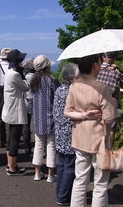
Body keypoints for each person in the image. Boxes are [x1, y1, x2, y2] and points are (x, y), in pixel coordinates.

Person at [64, 54, 116, 207]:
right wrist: (112, 103)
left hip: (80, 137)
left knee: (80, 179)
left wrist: (83, 115)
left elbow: (67, 112)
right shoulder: (102, 88)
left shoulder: (74, 85)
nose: (100, 66)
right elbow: (109, 118)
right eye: (99, 63)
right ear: (94, 66)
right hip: (100, 139)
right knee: (100, 183)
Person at [53, 63, 79, 206]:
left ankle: (60, 195)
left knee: (62, 164)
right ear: (71, 78)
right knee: (69, 166)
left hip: (59, 131)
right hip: (69, 132)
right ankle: (63, 197)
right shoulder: (72, 92)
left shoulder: (59, 90)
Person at [30, 55, 60, 182]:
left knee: (39, 145)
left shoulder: (33, 80)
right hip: (51, 117)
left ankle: (37, 173)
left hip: (37, 117)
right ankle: (50, 174)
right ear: (47, 67)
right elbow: (58, 99)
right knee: (51, 145)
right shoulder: (52, 80)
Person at [2, 49, 30, 176]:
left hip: (9, 109)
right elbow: (26, 87)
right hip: (15, 111)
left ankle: (10, 164)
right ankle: (12, 168)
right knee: (14, 139)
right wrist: (23, 74)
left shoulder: (9, 73)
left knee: (10, 139)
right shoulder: (15, 74)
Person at [96, 52, 123, 139]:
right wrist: (119, 71)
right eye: (112, 56)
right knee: (111, 128)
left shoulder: (96, 69)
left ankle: (99, 148)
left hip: (97, 102)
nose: (113, 58)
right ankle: (108, 149)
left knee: (99, 125)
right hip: (112, 103)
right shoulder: (115, 71)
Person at [23, 58, 35, 155]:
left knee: (26, 126)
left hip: (26, 101)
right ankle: (40, 147)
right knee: (37, 125)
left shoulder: (25, 77)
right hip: (36, 102)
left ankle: (27, 147)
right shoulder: (38, 77)